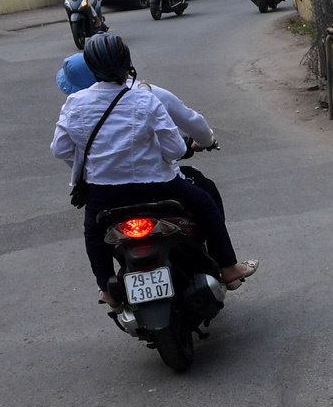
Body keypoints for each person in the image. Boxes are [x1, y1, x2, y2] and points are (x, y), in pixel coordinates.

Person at [49, 33, 256, 308]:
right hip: (157, 185)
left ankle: (108, 289)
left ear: (92, 68)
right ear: (127, 63)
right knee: (205, 204)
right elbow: (174, 149)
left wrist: (89, 171)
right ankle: (229, 269)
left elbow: (60, 149)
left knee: (93, 232)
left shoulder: (74, 104)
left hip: (104, 194)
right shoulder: (143, 97)